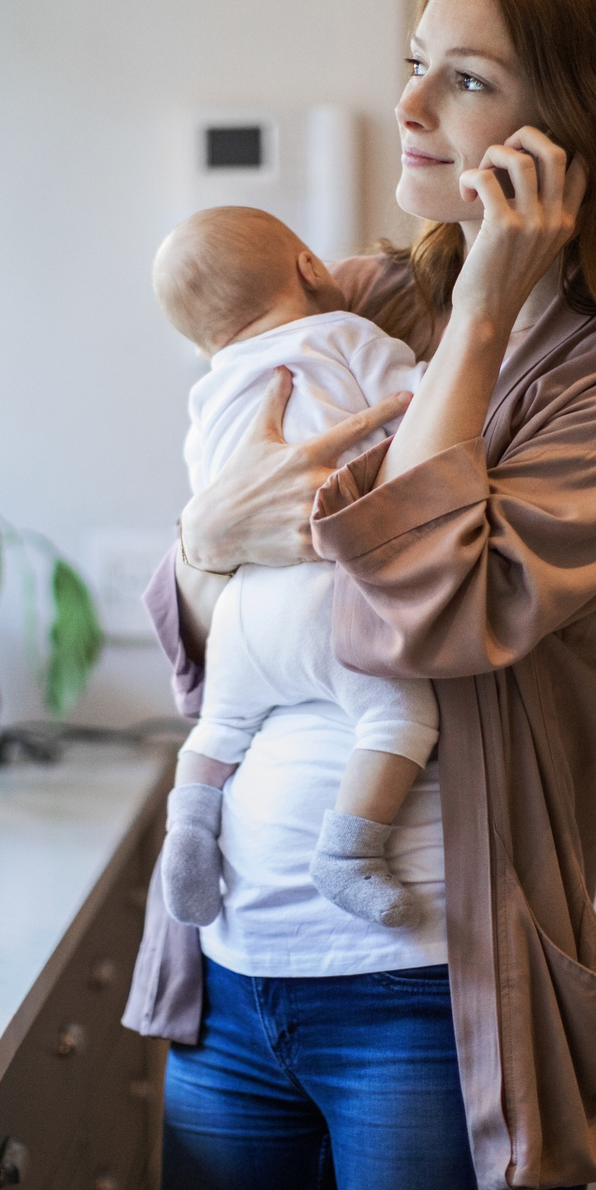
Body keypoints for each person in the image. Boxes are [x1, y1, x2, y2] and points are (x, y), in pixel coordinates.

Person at [124, 0, 596, 1190]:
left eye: (469, 80)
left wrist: (489, 307)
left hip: (426, 1003)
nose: (411, 105)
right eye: (416, 62)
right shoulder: (373, 303)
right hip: (228, 968)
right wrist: (211, 539)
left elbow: (427, 612)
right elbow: (209, 601)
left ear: (573, 129)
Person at [150, 205, 435, 931]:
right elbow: (423, 413)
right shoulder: (345, 335)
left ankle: (186, 831)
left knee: (218, 727)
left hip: (247, 615)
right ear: (309, 267)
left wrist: (211, 538)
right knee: (399, 714)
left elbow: (205, 509)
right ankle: (346, 853)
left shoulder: (205, 393)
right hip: (328, 601)